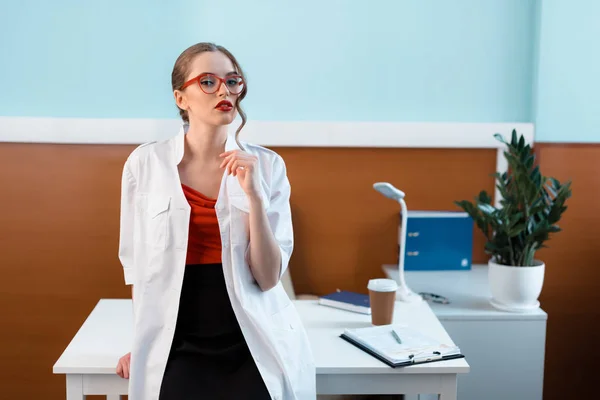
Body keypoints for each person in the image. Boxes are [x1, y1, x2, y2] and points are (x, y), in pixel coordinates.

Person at [114, 42, 316, 400]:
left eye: (232, 81)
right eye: (207, 81)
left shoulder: (267, 167)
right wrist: (144, 347)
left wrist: (253, 195)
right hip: (178, 341)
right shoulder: (144, 165)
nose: (224, 90)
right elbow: (137, 269)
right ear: (181, 98)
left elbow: (269, 278)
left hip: (249, 338)